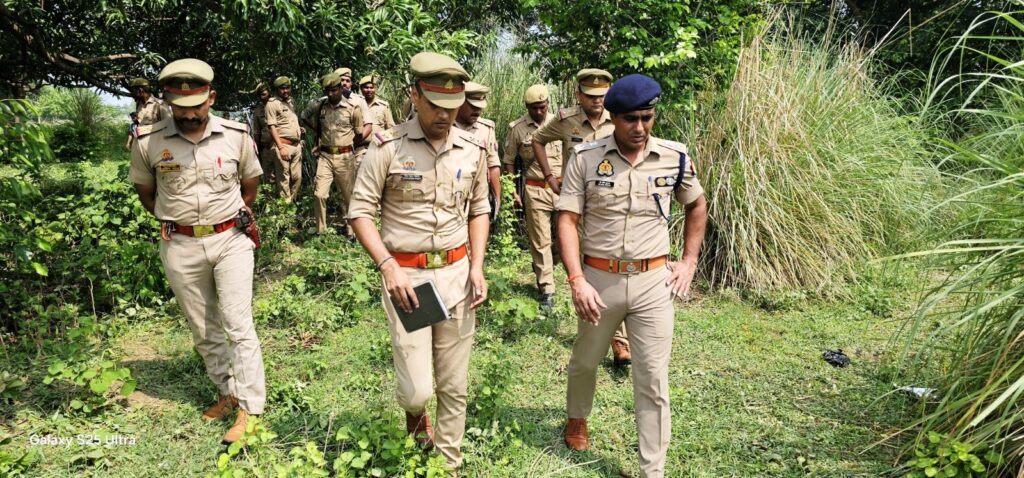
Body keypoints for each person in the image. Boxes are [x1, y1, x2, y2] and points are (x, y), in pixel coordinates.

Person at [556, 74, 707, 478]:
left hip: (653, 282)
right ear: (613, 117)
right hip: (599, 281)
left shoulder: (674, 157)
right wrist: (576, 280)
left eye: (647, 117)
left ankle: (651, 471)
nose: (639, 127)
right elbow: (567, 220)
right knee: (585, 361)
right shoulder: (585, 158)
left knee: (653, 379)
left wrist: (689, 262)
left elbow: (696, 205)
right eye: (630, 119)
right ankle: (577, 417)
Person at [348, 52, 489, 476]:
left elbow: (479, 208)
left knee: (454, 383)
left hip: (457, 274)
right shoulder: (387, 147)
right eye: (435, 106)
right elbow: (360, 211)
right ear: (414, 96)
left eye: (453, 107)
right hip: (408, 280)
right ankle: (414, 414)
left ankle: (448, 464)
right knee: (417, 390)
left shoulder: (473, 149)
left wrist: (477, 265)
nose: (445, 116)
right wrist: (387, 266)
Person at [128, 58, 267, 444]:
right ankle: (228, 391)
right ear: (168, 102)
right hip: (180, 244)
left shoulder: (236, 135)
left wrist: (223, 221)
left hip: (230, 240)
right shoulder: (148, 141)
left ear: (212, 98)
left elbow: (250, 187)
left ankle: (250, 409)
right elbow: (147, 195)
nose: (189, 115)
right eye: (180, 107)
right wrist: (183, 221)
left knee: (238, 324)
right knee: (203, 327)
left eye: (196, 106)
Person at [531, 68, 632, 365]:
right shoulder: (567, 121)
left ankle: (619, 340)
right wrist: (549, 176)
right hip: (576, 207)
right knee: (585, 270)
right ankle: (594, 332)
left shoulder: (620, 119)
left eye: (602, 95)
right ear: (579, 95)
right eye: (590, 96)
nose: (597, 101)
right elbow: (537, 140)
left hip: (611, 207)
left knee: (614, 267)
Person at [503, 84, 563, 309]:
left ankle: (544, 264)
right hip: (535, 189)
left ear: (548, 104)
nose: (539, 111)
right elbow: (509, 160)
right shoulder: (517, 128)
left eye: (542, 107)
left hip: (563, 188)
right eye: (534, 108)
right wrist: (512, 189)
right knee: (541, 240)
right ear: (527, 107)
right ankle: (547, 288)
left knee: (567, 239)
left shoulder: (560, 122)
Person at [300, 72, 373, 236]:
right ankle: (321, 232)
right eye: (328, 91)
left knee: (348, 196)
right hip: (325, 157)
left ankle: (352, 233)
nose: (331, 94)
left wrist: (350, 145)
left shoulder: (353, 108)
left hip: (345, 157)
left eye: (334, 90)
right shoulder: (320, 106)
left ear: (340, 88)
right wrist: (319, 140)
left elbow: (360, 133)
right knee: (319, 194)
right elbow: (316, 126)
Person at [453, 81, 501, 216]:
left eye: (480, 107)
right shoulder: (445, 126)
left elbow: (493, 165)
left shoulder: (486, 129)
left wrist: (497, 199)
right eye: (473, 106)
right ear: (459, 101)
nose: (477, 111)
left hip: (477, 197)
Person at [265, 76, 303, 202]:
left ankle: (291, 202)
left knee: (297, 177)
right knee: (284, 179)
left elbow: (287, 122)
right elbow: (272, 127)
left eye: (287, 88)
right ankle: (286, 209)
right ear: (277, 90)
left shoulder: (291, 102)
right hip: (283, 146)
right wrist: (281, 147)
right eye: (282, 88)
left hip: (296, 146)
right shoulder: (272, 104)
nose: (286, 91)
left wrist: (298, 129)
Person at [126, 77, 168, 149]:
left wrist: (146, 130)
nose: (132, 94)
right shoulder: (139, 104)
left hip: (156, 146)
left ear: (140, 90)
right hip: (140, 145)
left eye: (133, 91)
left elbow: (168, 125)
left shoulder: (160, 104)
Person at [250, 82, 275, 184]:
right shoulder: (257, 111)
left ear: (269, 92)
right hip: (266, 148)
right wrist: (256, 149)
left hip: (281, 145)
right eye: (260, 94)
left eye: (264, 92)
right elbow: (256, 132)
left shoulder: (278, 105)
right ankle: (269, 194)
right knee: (268, 175)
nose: (262, 96)